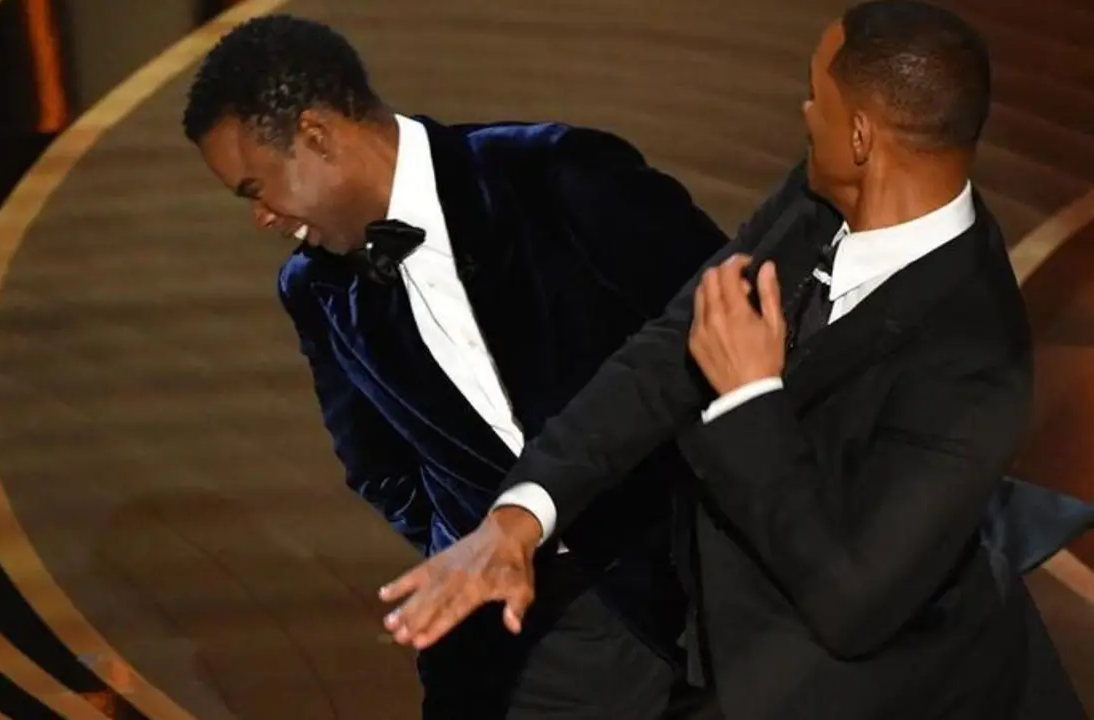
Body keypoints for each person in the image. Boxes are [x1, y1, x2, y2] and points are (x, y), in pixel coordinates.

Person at [379, 2, 1094, 718]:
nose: (802, 112)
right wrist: (520, 515)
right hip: (728, 652)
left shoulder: (976, 359)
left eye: (814, 95)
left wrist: (750, 399)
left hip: (879, 695)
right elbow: (668, 352)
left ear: (861, 137)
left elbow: (853, 605)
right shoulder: (819, 198)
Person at [180, 14, 730, 719]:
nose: (261, 216)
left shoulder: (555, 174)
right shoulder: (313, 288)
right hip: (520, 643)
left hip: (696, 593)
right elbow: (377, 466)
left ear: (316, 136)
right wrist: (475, 542)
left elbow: (731, 323)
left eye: (255, 188)